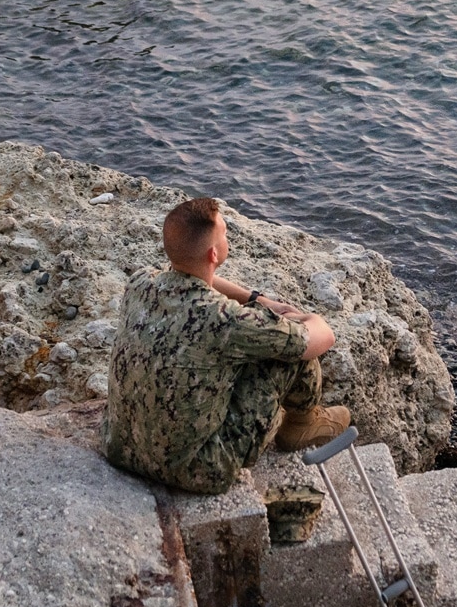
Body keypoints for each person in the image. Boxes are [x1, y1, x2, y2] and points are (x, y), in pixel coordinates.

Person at [101, 197, 350, 494]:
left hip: (119, 447)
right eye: (225, 233)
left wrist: (257, 299)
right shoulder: (224, 320)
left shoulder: (140, 282)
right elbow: (321, 338)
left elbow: (193, 277)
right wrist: (298, 316)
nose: (227, 237)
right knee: (286, 352)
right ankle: (302, 424)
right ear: (214, 253)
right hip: (200, 468)